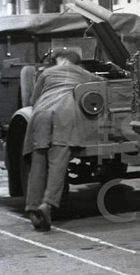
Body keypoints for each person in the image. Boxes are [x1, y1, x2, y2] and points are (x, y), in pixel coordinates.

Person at [23, 49, 103, 231]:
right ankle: (47, 204)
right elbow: (102, 88)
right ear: (77, 62)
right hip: (65, 115)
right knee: (58, 163)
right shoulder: (83, 73)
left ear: (56, 60)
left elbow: (33, 99)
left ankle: (33, 207)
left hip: (41, 113)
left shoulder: (47, 72)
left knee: (38, 163)